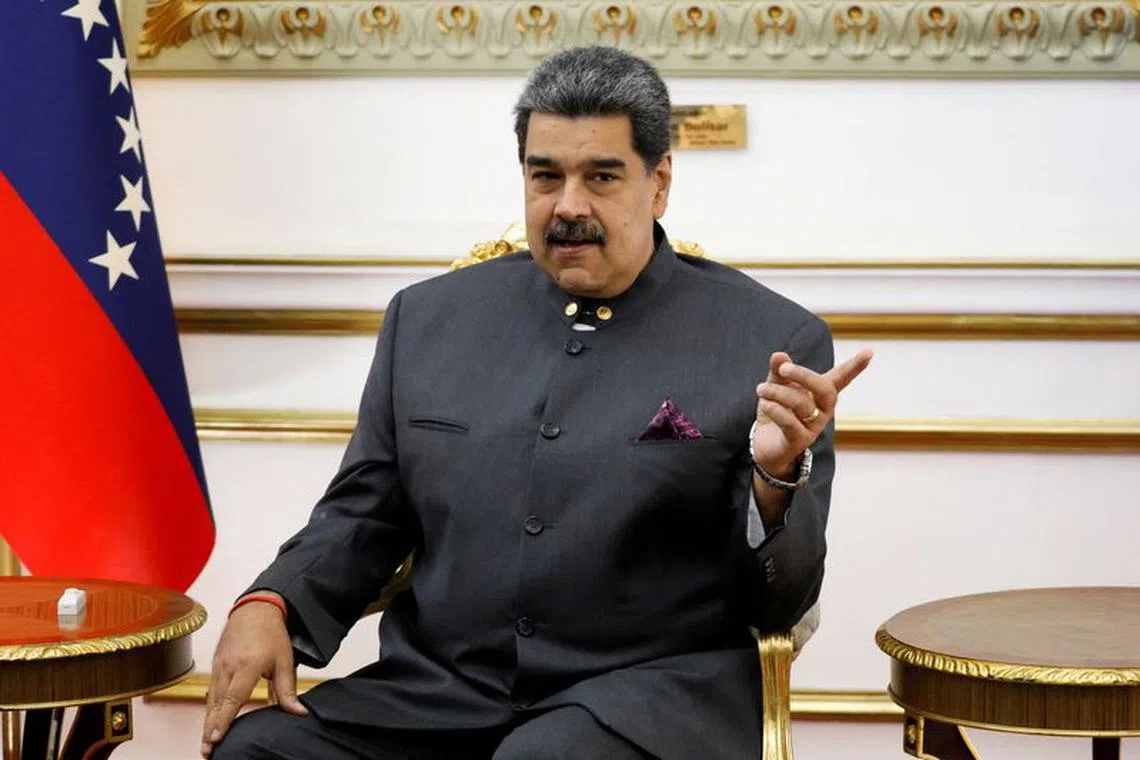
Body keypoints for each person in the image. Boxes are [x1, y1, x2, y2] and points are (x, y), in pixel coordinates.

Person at [202, 45, 872, 760]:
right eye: (545, 176)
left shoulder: (769, 340)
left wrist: (774, 482)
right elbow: (364, 513)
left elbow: (783, 602)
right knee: (257, 753)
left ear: (660, 182)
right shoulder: (428, 321)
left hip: (648, 701)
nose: (569, 205)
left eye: (602, 177)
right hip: (440, 697)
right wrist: (271, 601)